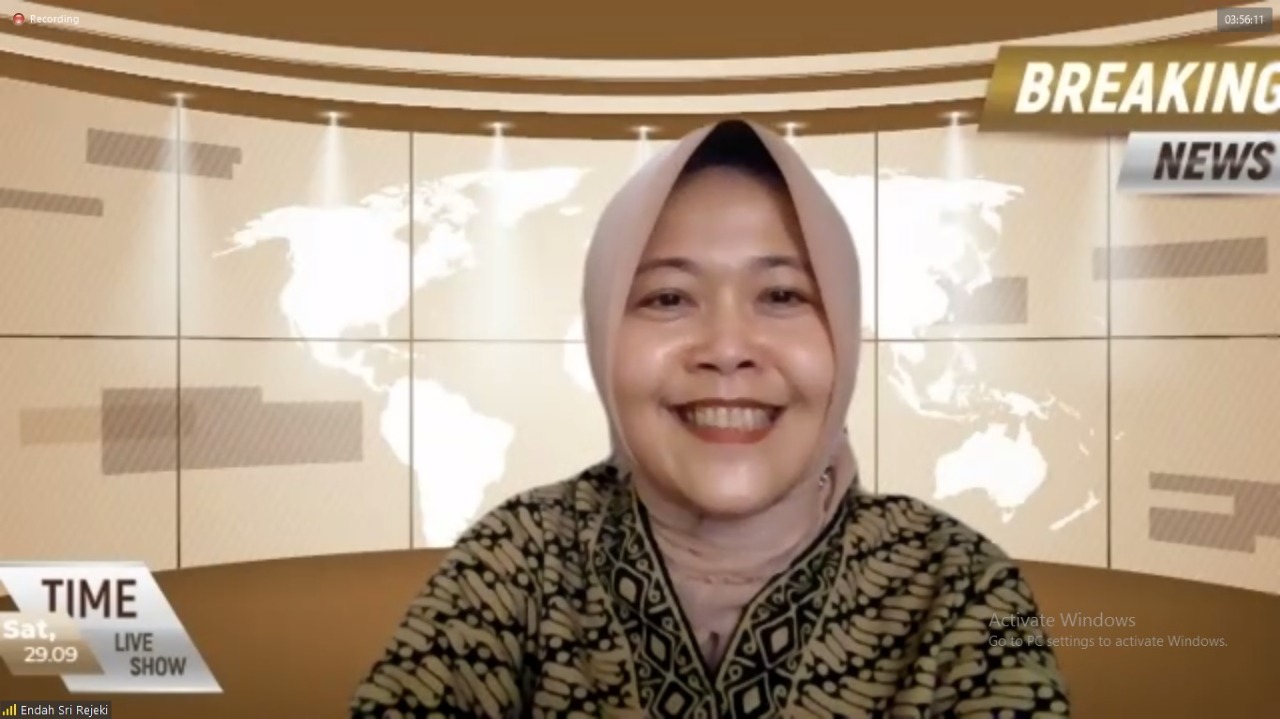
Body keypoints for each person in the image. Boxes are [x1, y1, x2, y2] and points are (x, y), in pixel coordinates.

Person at [349, 119, 1070, 718]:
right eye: (668, 298)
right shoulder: (519, 560)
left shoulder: (961, 585)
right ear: (603, 335)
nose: (726, 348)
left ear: (844, 337)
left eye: (782, 295)